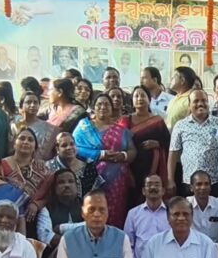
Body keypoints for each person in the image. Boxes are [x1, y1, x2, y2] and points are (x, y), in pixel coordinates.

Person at [73, 94, 137, 227]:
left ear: (112, 108)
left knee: (114, 215)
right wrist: (100, 154)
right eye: (99, 104)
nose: (103, 107)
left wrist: (122, 156)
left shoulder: (121, 130)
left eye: (107, 104)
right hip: (89, 179)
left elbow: (132, 151)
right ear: (93, 108)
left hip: (116, 181)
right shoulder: (84, 127)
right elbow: (74, 149)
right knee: (92, 211)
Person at [168, 90, 218, 197]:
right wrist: (170, 179)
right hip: (190, 182)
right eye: (196, 101)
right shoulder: (180, 125)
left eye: (204, 100)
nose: (200, 104)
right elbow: (173, 154)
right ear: (189, 106)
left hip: (215, 181)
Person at [36, 168, 84, 258]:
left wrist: (61, 228)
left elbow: (94, 228)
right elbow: (46, 237)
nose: (67, 185)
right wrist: (78, 240)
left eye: (70, 181)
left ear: (76, 186)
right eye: (61, 182)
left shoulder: (86, 205)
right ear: (54, 187)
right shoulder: (46, 209)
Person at [123, 86, 170, 203]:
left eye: (143, 95)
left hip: (154, 167)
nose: (140, 98)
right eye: (136, 96)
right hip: (132, 168)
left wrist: (157, 143)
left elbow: (169, 142)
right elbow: (121, 145)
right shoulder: (126, 121)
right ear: (132, 101)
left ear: (149, 100)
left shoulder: (158, 121)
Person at [2, 129, 52, 220]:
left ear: (35, 147)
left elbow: (48, 195)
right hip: (4, 213)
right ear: (14, 144)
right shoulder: (1, 165)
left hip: (31, 216)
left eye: (30, 140)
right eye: (22, 138)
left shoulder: (42, 169)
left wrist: (36, 204)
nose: (26, 142)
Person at [124, 175, 170, 258]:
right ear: (143, 191)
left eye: (157, 185)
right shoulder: (133, 214)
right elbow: (127, 246)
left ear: (163, 191)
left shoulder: (171, 214)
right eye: (149, 185)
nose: (153, 187)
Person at [45, 131, 99, 197]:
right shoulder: (48, 167)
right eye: (64, 145)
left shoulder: (88, 166)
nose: (69, 148)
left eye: (72, 144)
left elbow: (95, 193)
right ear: (57, 149)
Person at [186, 170, 218, 243]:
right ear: (191, 187)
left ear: (210, 187)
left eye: (206, 184)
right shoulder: (184, 205)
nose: (203, 187)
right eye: (199, 184)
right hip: (192, 246)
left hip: (216, 247)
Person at [13, 92, 56, 161]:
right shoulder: (14, 126)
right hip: (17, 162)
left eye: (35, 103)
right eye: (28, 102)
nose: (32, 105)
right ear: (21, 106)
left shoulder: (49, 128)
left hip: (40, 164)